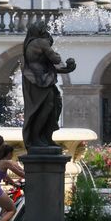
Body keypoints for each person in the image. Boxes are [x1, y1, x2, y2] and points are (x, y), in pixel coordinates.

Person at [22, 21, 75, 149]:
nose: (46, 31)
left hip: (40, 80)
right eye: (44, 29)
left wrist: (67, 69)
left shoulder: (30, 43)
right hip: (40, 82)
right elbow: (55, 59)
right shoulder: (41, 42)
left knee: (52, 105)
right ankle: (36, 137)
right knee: (46, 106)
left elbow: (47, 67)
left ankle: (45, 137)